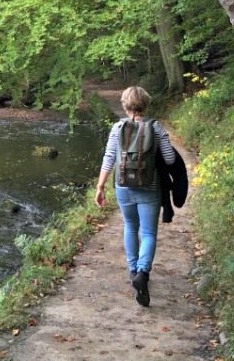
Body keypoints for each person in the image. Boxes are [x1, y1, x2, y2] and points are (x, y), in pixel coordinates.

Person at [95, 86, 175, 307]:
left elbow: (109, 158)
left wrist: (100, 187)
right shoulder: (155, 127)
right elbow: (169, 159)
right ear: (146, 104)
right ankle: (143, 272)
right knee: (148, 232)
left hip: (123, 187)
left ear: (125, 105)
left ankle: (133, 271)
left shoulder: (117, 127)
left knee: (130, 227)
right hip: (149, 187)